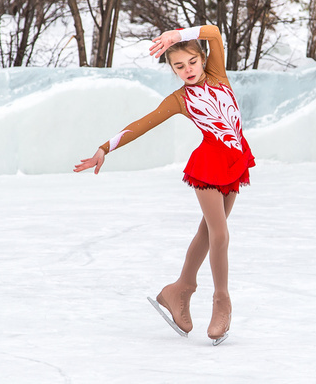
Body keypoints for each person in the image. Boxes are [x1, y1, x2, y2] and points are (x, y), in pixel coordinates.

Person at [73, 25, 255, 345]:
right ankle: (221, 301)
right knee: (220, 233)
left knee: (208, 231)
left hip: (234, 161)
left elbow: (212, 31)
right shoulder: (179, 100)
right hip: (209, 165)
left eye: (191, 62)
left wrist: (177, 35)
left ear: (202, 59)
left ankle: (179, 289)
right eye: (179, 66)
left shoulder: (218, 75)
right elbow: (142, 125)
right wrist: (104, 148)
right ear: (172, 70)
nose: (187, 70)